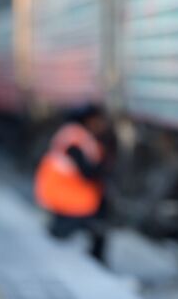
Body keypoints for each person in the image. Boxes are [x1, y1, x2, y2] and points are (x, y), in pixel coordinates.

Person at [34, 104, 114, 262]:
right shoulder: (75, 139)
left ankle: (59, 231)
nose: (102, 124)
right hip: (69, 197)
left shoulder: (74, 134)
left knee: (86, 222)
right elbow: (87, 172)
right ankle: (95, 259)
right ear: (89, 120)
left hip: (62, 193)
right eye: (100, 120)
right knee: (98, 221)